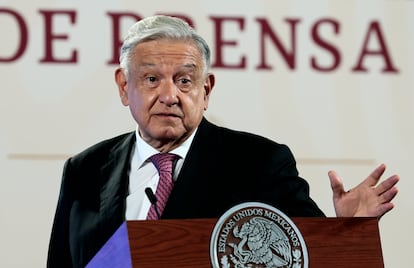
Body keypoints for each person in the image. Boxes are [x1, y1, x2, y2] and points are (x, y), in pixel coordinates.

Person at [47, 15, 399, 268]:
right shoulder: (85, 170)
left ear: (206, 89)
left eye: (185, 81)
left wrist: (347, 232)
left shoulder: (259, 163)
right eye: (152, 78)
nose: (169, 95)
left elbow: (305, 255)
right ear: (125, 86)